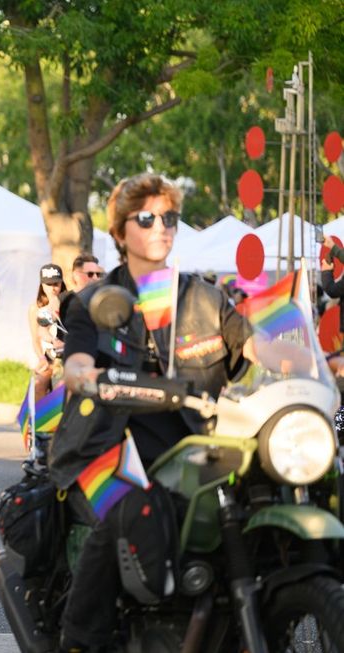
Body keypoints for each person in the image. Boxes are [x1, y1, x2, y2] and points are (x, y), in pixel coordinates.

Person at [53, 173, 269, 651]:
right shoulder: (94, 301)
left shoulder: (205, 299)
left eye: (170, 217)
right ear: (120, 231)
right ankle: (79, 639)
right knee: (128, 509)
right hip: (104, 445)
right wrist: (85, 374)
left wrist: (308, 362)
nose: (161, 227)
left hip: (193, 446)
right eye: (146, 218)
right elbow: (79, 362)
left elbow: (260, 346)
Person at [29, 263, 66, 399]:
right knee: (38, 384)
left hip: (67, 355)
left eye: (56, 284)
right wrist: (42, 358)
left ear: (62, 283)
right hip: (48, 356)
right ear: (42, 285)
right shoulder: (35, 308)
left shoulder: (68, 302)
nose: (53, 288)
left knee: (60, 388)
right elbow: (35, 338)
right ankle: (38, 419)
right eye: (48, 284)